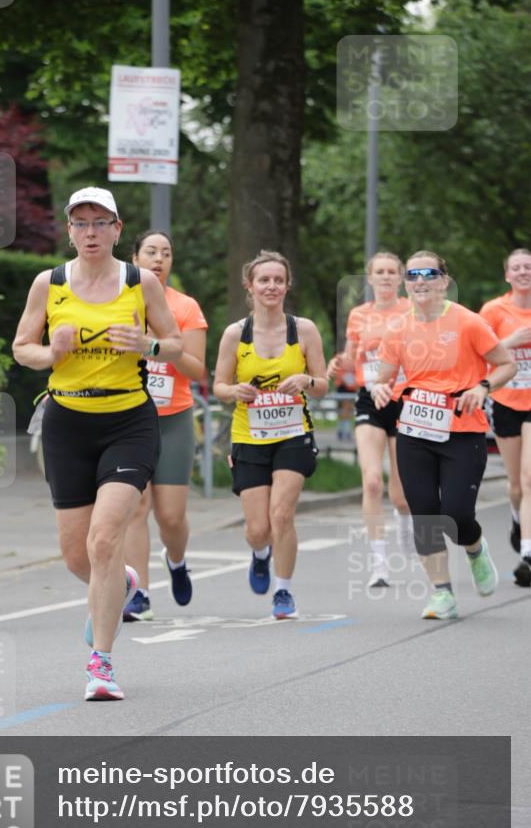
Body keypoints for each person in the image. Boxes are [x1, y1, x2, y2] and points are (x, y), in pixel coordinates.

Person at [12, 187, 182, 700]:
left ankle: (101, 664)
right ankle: (123, 585)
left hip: (128, 421)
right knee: (76, 556)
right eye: (80, 223)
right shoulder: (51, 283)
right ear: (69, 231)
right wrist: (50, 353)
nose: (90, 232)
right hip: (66, 422)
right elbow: (22, 349)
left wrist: (146, 345)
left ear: (116, 229)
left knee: (105, 539)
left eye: (99, 222)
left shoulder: (140, 281)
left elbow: (175, 344)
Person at [372, 250, 517, 620]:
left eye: (428, 274)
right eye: (413, 275)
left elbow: (506, 363)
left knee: (455, 514)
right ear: (406, 283)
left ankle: (474, 548)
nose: (420, 281)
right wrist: (378, 388)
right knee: (424, 514)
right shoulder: (398, 328)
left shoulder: (467, 322)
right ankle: (442, 593)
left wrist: (483, 387)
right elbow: (384, 376)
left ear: (443, 280)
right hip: (415, 430)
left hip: (462, 430)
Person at [213, 250, 328, 619]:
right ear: (250, 285)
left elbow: (324, 384)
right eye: (264, 280)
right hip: (249, 435)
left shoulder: (304, 330)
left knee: (282, 514)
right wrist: (235, 392)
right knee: (258, 528)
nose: (272, 286)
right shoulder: (235, 334)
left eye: (279, 280)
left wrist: (308, 380)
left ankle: (283, 590)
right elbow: (218, 385)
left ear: (287, 285)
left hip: (294, 432)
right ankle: (260, 554)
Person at [122, 230, 208, 619]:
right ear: (135, 258)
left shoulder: (185, 307)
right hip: (127, 416)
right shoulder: (119, 301)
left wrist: (158, 344)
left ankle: (176, 560)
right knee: (135, 507)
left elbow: (196, 368)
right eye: (151, 252)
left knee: (170, 517)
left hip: (173, 418)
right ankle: (138, 593)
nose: (159, 259)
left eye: (166, 253)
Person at [327, 252, 413, 587]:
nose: (387, 277)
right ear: (370, 278)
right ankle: (379, 562)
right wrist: (339, 363)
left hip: (403, 398)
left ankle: (406, 524)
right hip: (369, 398)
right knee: (372, 480)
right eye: (381, 272)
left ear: (401, 277)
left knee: (401, 495)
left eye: (393, 272)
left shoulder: (411, 311)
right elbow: (351, 359)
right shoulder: (359, 315)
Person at [480, 248, 531, 586]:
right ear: (507, 275)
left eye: (529, 267)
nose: (524, 272)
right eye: (517, 267)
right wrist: (508, 342)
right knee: (515, 486)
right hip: (506, 401)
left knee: (530, 479)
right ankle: (517, 519)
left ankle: (527, 554)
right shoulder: (493, 310)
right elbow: (478, 354)